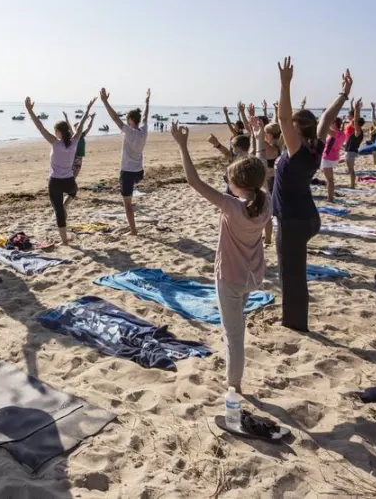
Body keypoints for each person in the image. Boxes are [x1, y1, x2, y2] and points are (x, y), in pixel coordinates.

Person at [171, 121, 270, 393]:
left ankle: (234, 386)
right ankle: (234, 378)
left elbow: (194, 181)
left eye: (228, 179)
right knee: (237, 322)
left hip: (230, 278)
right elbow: (259, 167)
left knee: (234, 336)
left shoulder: (230, 206)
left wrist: (182, 146)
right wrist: (258, 140)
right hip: (253, 277)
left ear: (236, 184)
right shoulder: (266, 201)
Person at [274, 59, 352, 332]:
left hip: (294, 220)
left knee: (291, 275)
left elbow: (283, 118)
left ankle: (295, 324)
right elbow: (327, 118)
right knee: (293, 271)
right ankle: (293, 318)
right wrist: (343, 94)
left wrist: (285, 84)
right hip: (307, 217)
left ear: (297, 128)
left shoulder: (297, 149)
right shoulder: (314, 146)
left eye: (290, 126)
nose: (286, 128)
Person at [27, 96, 97, 245]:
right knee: (73, 191)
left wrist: (30, 111)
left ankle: (64, 240)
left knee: (59, 211)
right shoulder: (74, 141)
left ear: (58, 132)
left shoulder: (54, 142)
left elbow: (40, 127)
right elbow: (81, 125)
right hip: (69, 182)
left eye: (55, 131)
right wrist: (88, 109)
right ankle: (66, 205)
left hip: (55, 183)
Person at [99, 87, 150, 235]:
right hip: (138, 172)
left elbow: (115, 118)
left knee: (127, 204)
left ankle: (133, 231)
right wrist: (147, 101)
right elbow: (146, 116)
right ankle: (132, 226)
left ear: (131, 120)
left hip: (127, 172)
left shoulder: (129, 131)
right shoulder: (144, 130)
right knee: (127, 193)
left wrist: (105, 101)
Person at [320, 116, 346, 202]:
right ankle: (330, 194)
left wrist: (324, 117)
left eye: (331, 123)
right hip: (334, 157)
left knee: (330, 180)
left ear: (334, 123)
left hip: (328, 158)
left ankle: (330, 198)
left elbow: (323, 126)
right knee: (329, 179)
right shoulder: (342, 133)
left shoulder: (335, 134)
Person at [64, 111, 96, 179]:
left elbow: (89, 127)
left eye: (79, 127)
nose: (79, 128)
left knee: (76, 171)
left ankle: (70, 182)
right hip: (74, 156)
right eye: (77, 127)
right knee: (73, 171)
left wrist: (92, 119)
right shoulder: (74, 135)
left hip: (80, 156)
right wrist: (66, 117)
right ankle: (69, 182)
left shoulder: (82, 135)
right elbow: (69, 126)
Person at [344, 98, 365, 188]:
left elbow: (356, 120)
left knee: (351, 170)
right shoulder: (358, 131)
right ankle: (352, 185)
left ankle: (352, 186)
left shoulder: (358, 132)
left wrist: (356, 109)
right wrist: (357, 108)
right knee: (350, 169)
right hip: (350, 152)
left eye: (354, 122)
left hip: (351, 152)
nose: (352, 121)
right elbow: (356, 120)